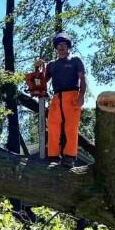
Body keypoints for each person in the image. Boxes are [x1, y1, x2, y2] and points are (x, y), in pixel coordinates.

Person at [45, 32, 86, 168]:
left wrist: (81, 96)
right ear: (56, 48)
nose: (61, 47)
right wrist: (38, 67)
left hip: (72, 95)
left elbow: (83, 79)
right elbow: (42, 80)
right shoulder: (51, 65)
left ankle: (69, 157)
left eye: (64, 44)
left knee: (71, 127)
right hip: (57, 96)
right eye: (59, 45)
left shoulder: (75, 60)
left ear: (68, 46)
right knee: (52, 125)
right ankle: (53, 156)